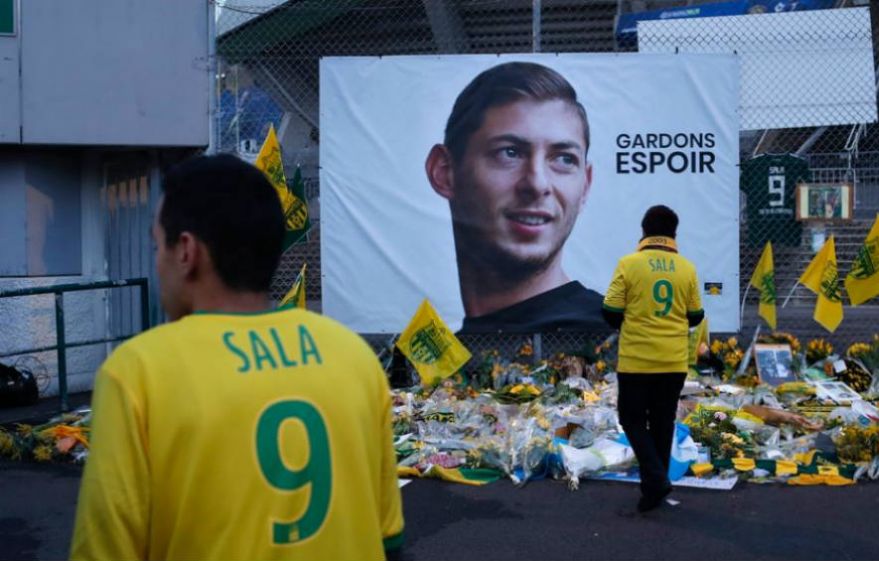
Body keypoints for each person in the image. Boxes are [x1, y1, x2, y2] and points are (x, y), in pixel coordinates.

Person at [70, 155, 403, 561]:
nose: (157, 263)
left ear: (187, 252)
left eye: (157, 246)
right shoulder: (353, 356)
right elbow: (389, 539)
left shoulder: (138, 371)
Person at [425, 61, 609, 334]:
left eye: (563, 159)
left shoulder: (616, 341)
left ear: (585, 186)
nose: (537, 184)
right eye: (509, 153)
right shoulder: (436, 351)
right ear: (445, 172)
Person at [602, 205, 704, 512]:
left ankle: (656, 479)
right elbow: (696, 315)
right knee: (662, 422)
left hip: (637, 360)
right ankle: (652, 491)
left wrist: (633, 320)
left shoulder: (629, 264)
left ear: (644, 231)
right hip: (673, 362)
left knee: (632, 419)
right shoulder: (686, 268)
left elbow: (610, 311)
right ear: (674, 234)